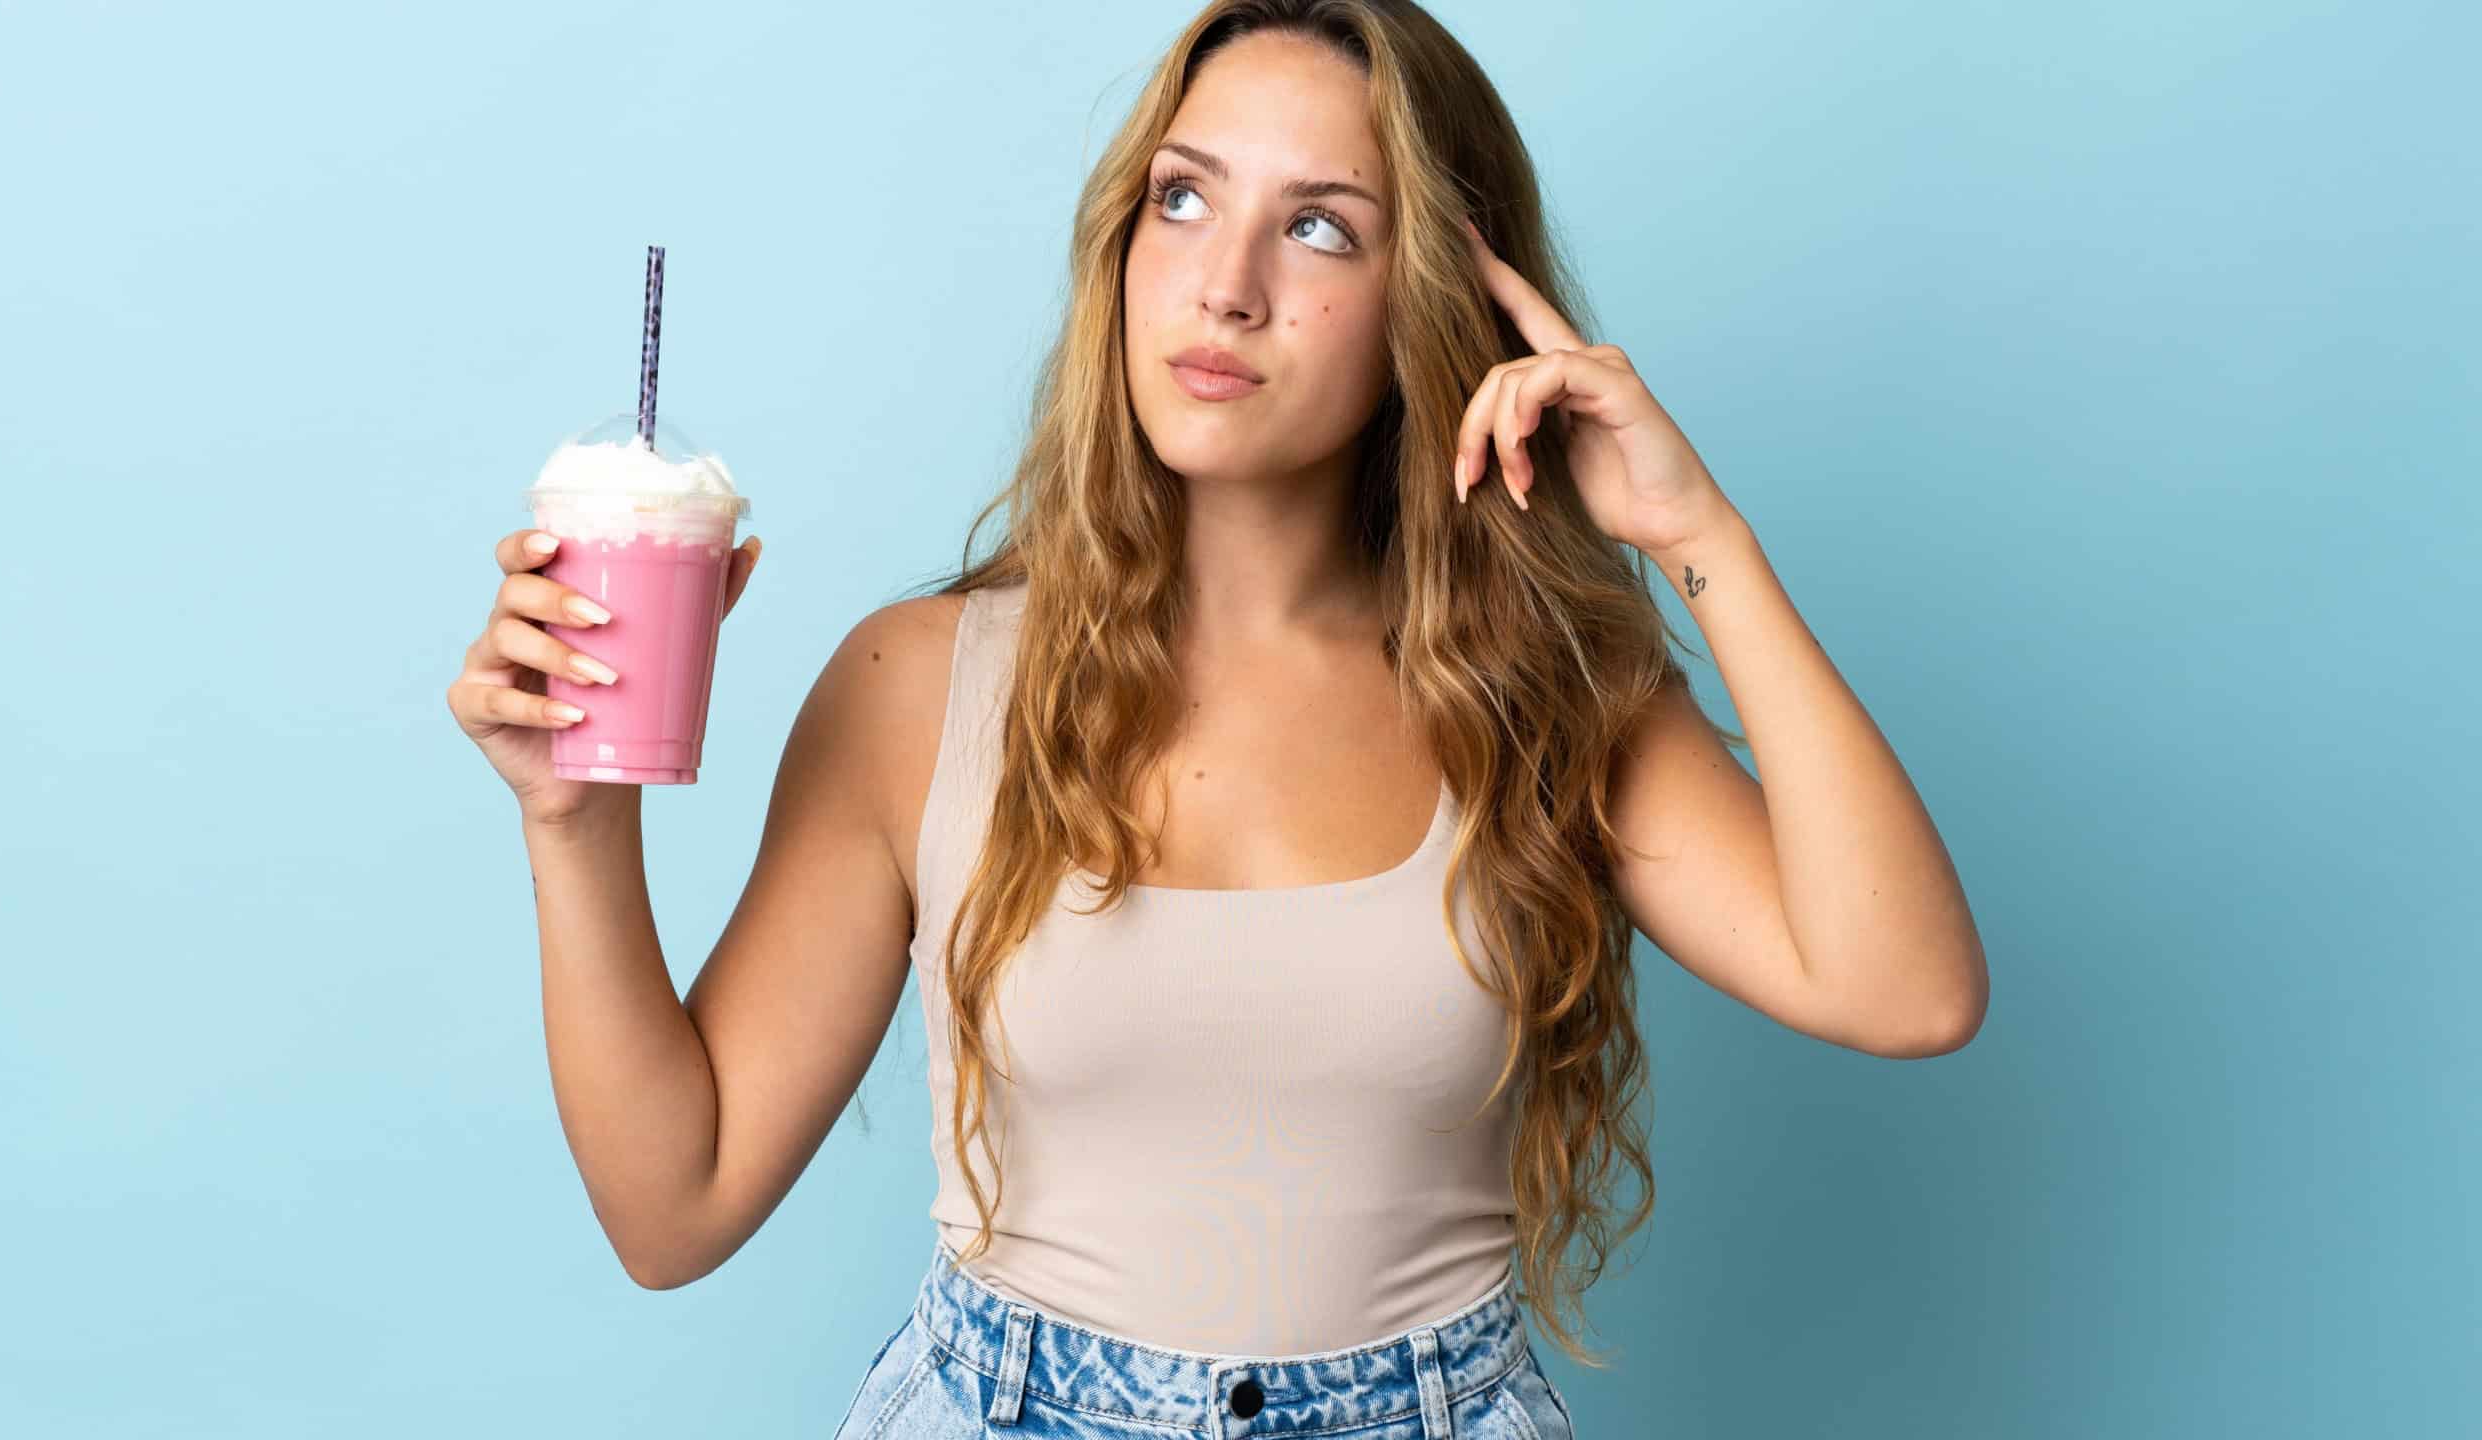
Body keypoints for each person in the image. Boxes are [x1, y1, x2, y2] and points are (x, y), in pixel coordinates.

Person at [447, 2, 1990, 1434]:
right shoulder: (916, 689)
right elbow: (677, 1205)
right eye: (1183, 199)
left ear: (1433, 305)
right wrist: (575, 821)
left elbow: (1907, 989)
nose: (1224, 282)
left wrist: (1696, 534)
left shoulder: (1546, 693)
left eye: (1317, 227)